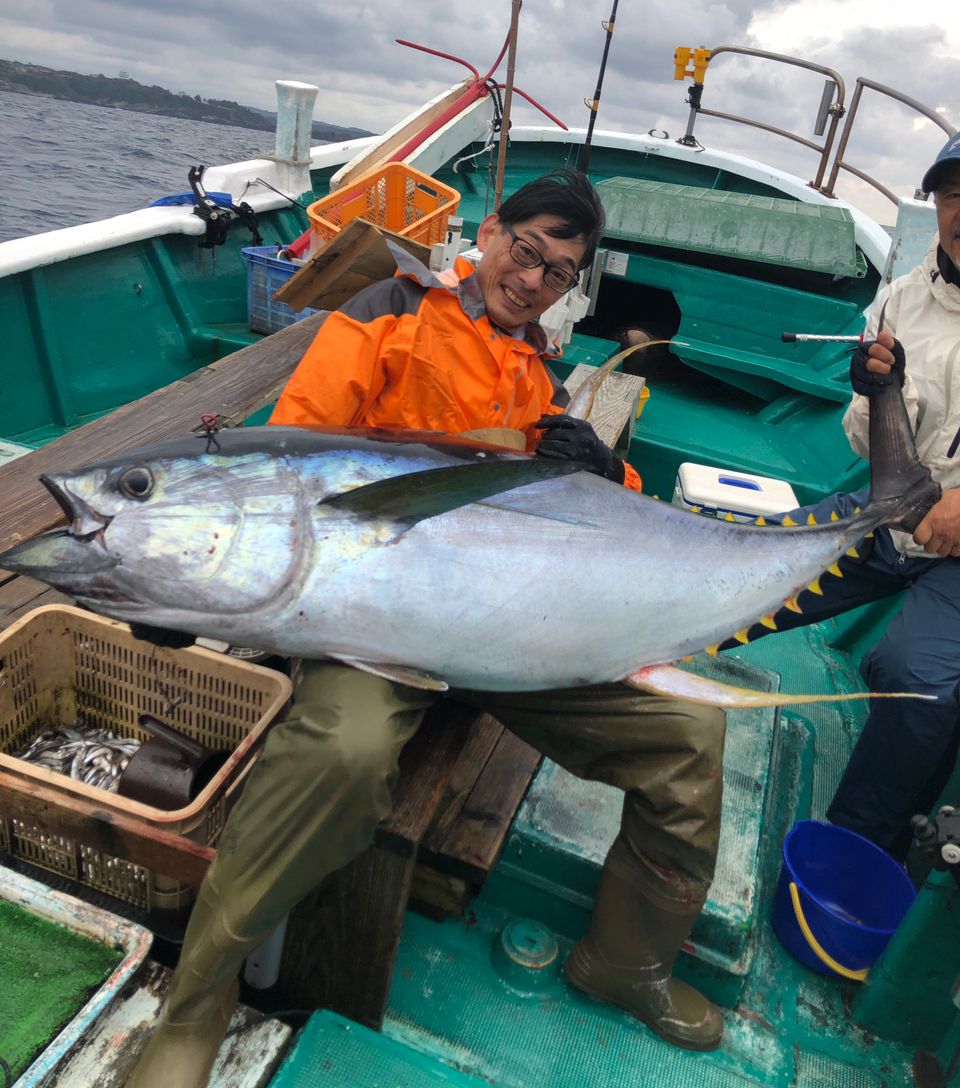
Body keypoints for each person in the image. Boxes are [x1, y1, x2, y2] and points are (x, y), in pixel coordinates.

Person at [127, 171, 726, 1088]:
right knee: (345, 752)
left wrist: (606, 472)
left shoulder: (538, 381)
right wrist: (196, 588)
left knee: (689, 734)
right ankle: (196, 1005)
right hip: (371, 622)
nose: (532, 282)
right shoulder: (388, 311)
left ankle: (628, 959)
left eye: (558, 274)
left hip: (509, 631)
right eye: (526, 252)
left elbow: (597, 531)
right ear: (490, 233)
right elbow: (290, 456)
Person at [720, 131, 960, 862]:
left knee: (915, 679)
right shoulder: (901, 299)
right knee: (746, 567)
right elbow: (869, 445)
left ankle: (857, 848)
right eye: (954, 194)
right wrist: (870, 391)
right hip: (890, 514)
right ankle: (628, 669)